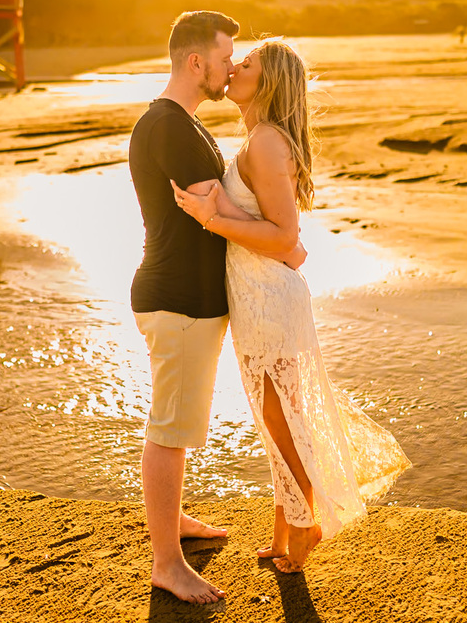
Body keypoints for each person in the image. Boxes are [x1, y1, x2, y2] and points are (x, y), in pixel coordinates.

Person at [172, 39, 413, 573]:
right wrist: (222, 209)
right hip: (258, 294)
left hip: (268, 300)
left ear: (270, 82)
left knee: (282, 419)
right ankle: (284, 528)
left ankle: (306, 525)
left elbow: (284, 237)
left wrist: (211, 218)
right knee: (276, 416)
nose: (234, 67)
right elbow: (274, 233)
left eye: (247, 63)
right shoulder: (261, 138)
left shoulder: (265, 143)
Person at [128, 11, 306, 604]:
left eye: (240, 58)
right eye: (227, 56)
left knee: (180, 422)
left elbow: (232, 216)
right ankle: (167, 563)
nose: (233, 65)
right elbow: (219, 215)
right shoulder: (171, 126)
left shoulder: (189, 124)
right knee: (170, 429)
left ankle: (172, 523)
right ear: (195, 61)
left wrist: (284, 239)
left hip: (196, 301)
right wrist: (287, 240)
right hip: (176, 298)